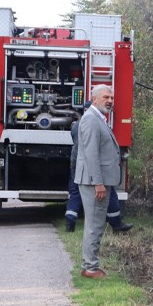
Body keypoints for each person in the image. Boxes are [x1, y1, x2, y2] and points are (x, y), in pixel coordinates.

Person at [74, 84, 121, 279]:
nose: (110, 101)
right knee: (94, 224)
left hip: (98, 180)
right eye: (105, 97)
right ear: (94, 99)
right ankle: (90, 268)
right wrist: (98, 183)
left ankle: (91, 265)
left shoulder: (97, 118)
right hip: (94, 181)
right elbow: (91, 154)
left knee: (97, 223)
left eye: (111, 97)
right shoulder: (91, 120)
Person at [65, 119, 133, 234]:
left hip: (77, 163)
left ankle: (70, 221)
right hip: (92, 164)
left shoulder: (76, 125)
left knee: (75, 192)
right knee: (109, 192)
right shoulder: (96, 124)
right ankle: (116, 224)